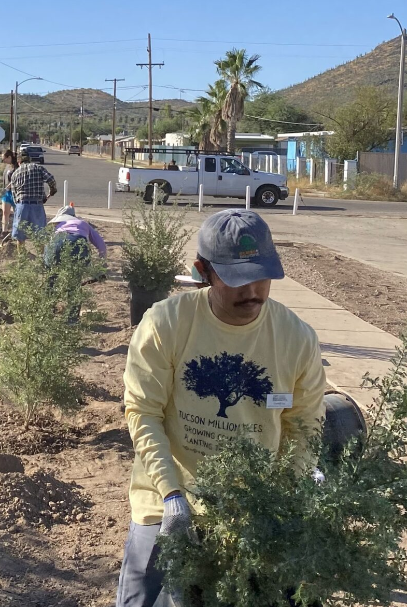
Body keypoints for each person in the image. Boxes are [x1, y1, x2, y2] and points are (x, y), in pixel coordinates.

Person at [116, 209, 326, 607]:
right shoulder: (166, 324)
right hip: (166, 500)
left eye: (261, 275)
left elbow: (304, 427)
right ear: (203, 271)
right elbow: (143, 412)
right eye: (236, 278)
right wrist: (172, 496)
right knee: (144, 596)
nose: (252, 291)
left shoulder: (297, 339)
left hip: (251, 508)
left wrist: (286, 500)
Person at [44, 204, 107, 322]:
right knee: (74, 283)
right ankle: (72, 319)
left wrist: (47, 265)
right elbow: (101, 245)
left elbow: (48, 248)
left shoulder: (58, 227)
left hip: (55, 245)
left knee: (51, 280)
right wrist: (102, 266)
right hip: (78, 244)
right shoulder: (83, 224)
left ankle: (47, 314)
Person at [10, 150, 57, 243]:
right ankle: (40, 256)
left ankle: (21, 256)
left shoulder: (15, 174)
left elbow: (14, 195)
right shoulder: (38, 168)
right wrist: (52, 190)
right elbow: (51, 179)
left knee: (20, 238)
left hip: (22, 206)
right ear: (29, 159)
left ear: (19, 161)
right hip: (37, 206)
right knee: (40, 236)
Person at [0, 149, 18, 240]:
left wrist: (8, 187)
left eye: (4, 159)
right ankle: (4, 231)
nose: (3, 161)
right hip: (6, 193)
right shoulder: (7, 167)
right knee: (5, 212)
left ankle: (16, 232)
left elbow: (15, 180)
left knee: (16, 213)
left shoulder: (16, 167)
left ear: (9, 157)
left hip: (15, 193)